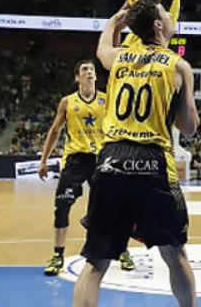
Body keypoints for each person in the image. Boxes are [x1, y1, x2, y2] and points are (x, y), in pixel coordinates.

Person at [73, 0, 200, 307]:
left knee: (95, 263)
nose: (171, 18)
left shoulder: (118, 57)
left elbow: (101, 51)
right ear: (158, 26)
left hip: (111, 161)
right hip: (152, 164)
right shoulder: (178, 65)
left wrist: (112, 23)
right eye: (166, 15)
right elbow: (190, 127)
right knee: (174, 253)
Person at [37, 60, 134, 276]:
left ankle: (123, 250)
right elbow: (55, 131)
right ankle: (57, 255)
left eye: (92, 70)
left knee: (114, 207)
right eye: (84, 70)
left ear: (96, 77)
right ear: (77, 78)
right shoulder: (67, 102)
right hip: (75, 160)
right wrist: (44, 160)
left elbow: (121, 127)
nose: (89, 72)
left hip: (102, 159)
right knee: (61, 207)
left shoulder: (107, 100)